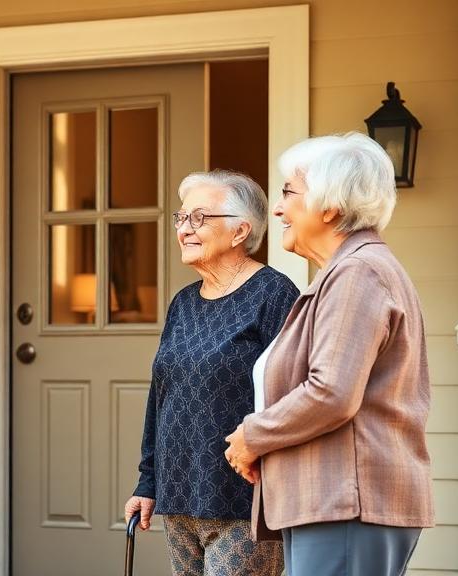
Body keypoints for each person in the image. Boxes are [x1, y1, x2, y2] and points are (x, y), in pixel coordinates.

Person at [224, 132, 434, 576]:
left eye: (287, 192)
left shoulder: (357, 272)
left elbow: (331, 392)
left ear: (331, 205)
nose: (277, 209)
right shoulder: (347, 271)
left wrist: (252, 437)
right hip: (333, 500)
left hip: (346, 501)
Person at [123, 170, 298, 576]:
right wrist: (148, 482)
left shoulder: (274, 294)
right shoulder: (183, 303)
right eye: (181, 219)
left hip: (243, 499)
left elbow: (291, 399)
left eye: (199, 218)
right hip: (179, 493)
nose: (184, 230)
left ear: (240, 232)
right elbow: (161, 396)